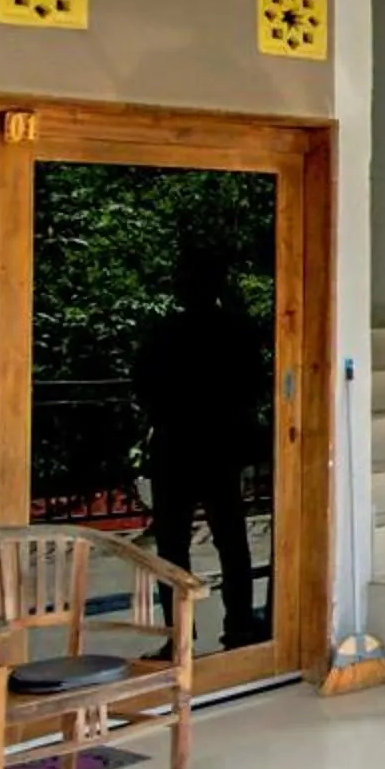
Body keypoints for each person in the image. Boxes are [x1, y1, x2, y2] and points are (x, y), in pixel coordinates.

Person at [135, 237, 268, 649]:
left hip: (180, 446)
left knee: (175, 548)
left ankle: (181, 636)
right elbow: (255, 385)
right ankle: (240, 626)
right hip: (216, 446)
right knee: (229, 543)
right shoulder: (235, 329)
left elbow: (143, 384)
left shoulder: (168, 332)